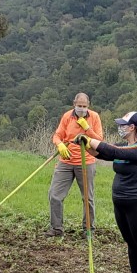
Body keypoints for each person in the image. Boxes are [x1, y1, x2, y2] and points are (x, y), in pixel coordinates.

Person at [78, 112, 137, 273]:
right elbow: (104, 153)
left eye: (124, 124)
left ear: (132, 128)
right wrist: (85, 144)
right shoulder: (126, 147)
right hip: (121, 204)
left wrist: (88, 138)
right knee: (131, 243)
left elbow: (114, 151)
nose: (120, 127)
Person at [47, 92, 104, 237]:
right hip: (66, 161)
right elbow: (57, 135)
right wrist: (59, 144)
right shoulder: (67, 116)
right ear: (74, 104)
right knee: (54, 195)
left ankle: (89, 229)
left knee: (87, 197)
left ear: (88, 105)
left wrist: (87, 128)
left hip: (86, 162)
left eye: (84, 106)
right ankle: (56, 228)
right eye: (79, 106)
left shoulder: (94, 117)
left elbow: (99, 140)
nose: (82, 109)